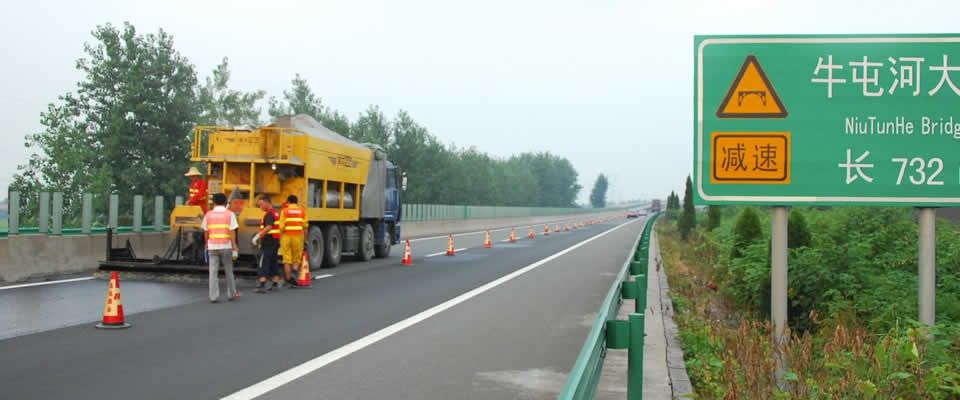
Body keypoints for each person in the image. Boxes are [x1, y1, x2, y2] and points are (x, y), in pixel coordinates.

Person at [201, 193, 239, 303]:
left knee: (212, 272)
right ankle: (232, 294)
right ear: (225, 202)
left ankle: (213, 296)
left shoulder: (208, 214)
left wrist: (206, 243)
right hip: (226, 246)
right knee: (229, 271)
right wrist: (234, 246)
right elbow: (232, 231)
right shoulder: (230, 214)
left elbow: (206, 231)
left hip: (212, 246)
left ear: (214, 202)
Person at [252, 194, 281, 293]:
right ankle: (275, 282)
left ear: (267, 202)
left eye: (261, 204)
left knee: (263, 261)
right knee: (273, 261)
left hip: (268, 241)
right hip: (275, 240)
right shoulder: (275, 213)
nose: (260, 207)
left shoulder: (269, 214)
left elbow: (268, 227)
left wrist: (258, 236)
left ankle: (262, 283)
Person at [278, 194, 305, 287]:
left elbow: (281, 227)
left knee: (286, 259)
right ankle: (294, 272)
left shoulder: (284, 211)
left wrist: (280, 236)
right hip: (298, 236)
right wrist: (306, 238)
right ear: (296, 202)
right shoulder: (302, 211)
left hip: (286, 237)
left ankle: (289, 279)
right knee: (296, 258)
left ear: (288, 202)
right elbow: (305, 226)